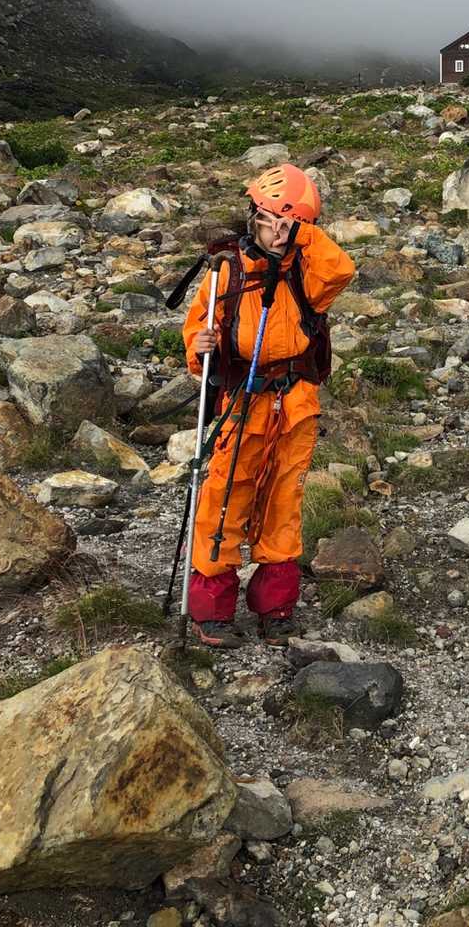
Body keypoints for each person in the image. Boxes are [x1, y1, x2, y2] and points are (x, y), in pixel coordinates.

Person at [181, 163, 356, 648]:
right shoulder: (226, 272)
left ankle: (276, 608)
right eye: (270, 221)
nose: (277, 233)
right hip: (243, 399)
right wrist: (201, 346)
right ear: (252, 217)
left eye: (289, 224)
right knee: (225, 498)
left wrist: (301, 235)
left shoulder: (307, 271)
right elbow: (198, 334)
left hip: (295, 402)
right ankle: (212, 609)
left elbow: (341, 270)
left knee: (284, 502)